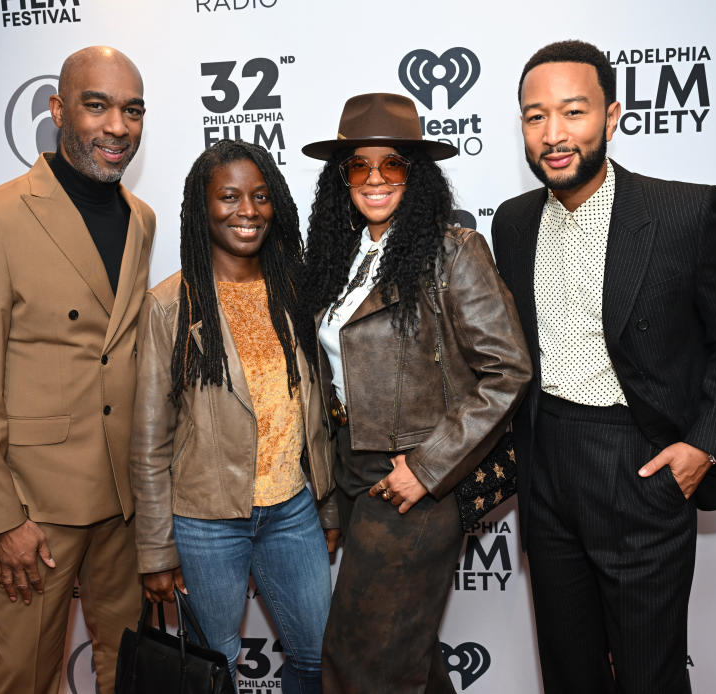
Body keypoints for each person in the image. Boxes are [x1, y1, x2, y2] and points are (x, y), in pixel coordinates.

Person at [491, 40, 716, 694]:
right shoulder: (513, 222)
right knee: (568, 668)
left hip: (639, 462)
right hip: (547, 460)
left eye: (573, 112)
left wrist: (702, 445)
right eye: (534, 116)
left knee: (649, 674)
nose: (553, 134)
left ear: (611, 117)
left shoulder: (682, 213)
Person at [0, 46, 154, 694]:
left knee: (130, 671)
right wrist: (3, 520)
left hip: (122, 502)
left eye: (132, 110)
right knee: (26, 680)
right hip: (35, 511)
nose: (117, 125)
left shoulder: (139, 218)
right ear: (58, 109)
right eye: (97, 105)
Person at [299, 93, 532, 694]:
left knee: (360, 663)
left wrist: (428, 468)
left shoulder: (453, 252)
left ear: (417, 173)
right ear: (341, 178)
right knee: (405, 656)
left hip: (413, 484)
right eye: (359, 166)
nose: (375, 179)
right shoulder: (342, 257)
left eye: (393, 164)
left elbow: (507, 369)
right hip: (356, 472)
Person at [129, 139, 337, 694]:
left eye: (261, 196)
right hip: (206, 523)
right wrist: (155, 551)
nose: (248, 210)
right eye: (229, 196)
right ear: (202, 207)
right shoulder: (170, 305)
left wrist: (328, 503)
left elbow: (317, 411)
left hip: (292, 510)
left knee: (319, 658)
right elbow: (149, 443)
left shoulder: (295, 290)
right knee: (213, 670)